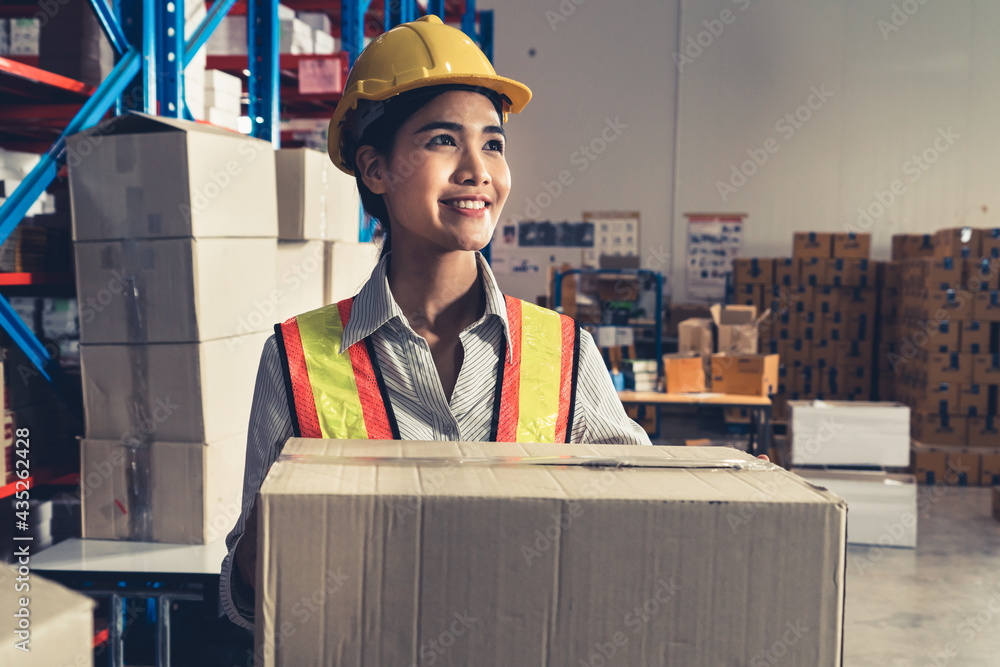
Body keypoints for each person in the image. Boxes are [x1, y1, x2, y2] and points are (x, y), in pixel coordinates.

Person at [219, 14, 651, 631]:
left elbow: (645, 531)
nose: (478, 169)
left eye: (493, 143)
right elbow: (243, 601)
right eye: (443, 140)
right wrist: (281, 527)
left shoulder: (566, 353)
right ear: (375, 170)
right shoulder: (296, 358)